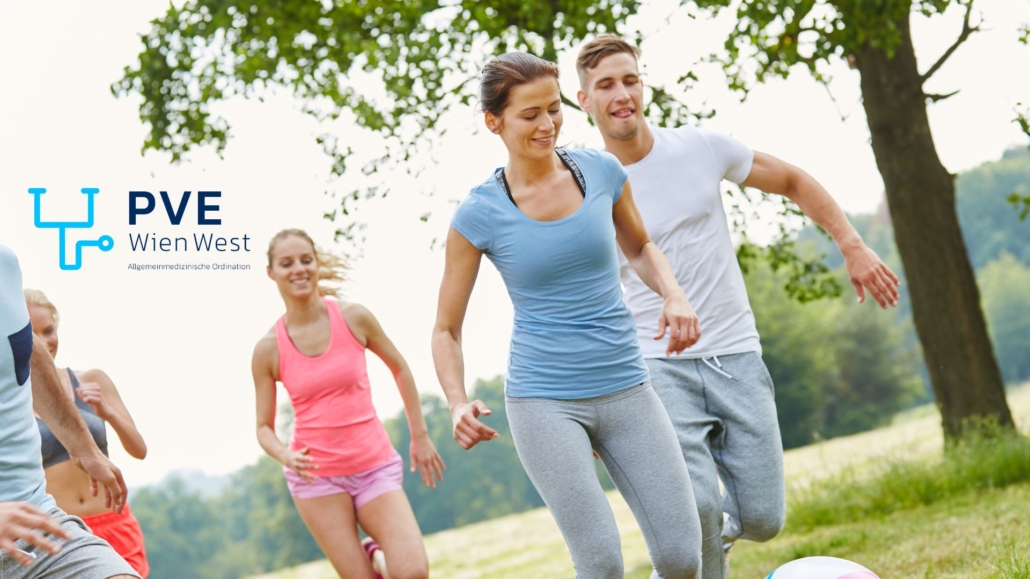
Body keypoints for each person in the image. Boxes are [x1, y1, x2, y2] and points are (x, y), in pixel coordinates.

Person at [575, 35, 902, 578]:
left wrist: (851, 244)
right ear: (584, 100)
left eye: (630, 80)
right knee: (697, 504)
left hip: (736, 353)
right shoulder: (583, 188)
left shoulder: (700, 149)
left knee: (763, 517)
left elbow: (793, 180)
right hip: (654, 366)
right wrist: (593, 399)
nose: (622, 94)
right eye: (606, 85)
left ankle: (717, 541)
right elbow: (581, 296)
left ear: (642, 84)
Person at [432, 52, 704, 579]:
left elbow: (640, 246)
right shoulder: (479, 213)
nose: (547, 124)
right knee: (601, 565)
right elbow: (446, 328)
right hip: (544, 401)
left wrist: (674, 294)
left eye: (554, 109)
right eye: (529, 114)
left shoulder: (601, 171)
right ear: (494, 122)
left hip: (626, 386)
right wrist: (456, 401)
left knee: (680, 558)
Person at [252, 229, 444, 579]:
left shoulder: (354, 317)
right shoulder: (268, 348)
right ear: (271, 273)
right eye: (286, 263)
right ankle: (373, 561)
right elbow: (263, 428)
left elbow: (400, 368)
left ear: (317, 264)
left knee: (413, 572)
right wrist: (286, 456)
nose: (298, 269)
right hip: (316, 478)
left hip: (373, 466)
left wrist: (420, 435)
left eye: (306, 260)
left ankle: (379, 558)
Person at [0, 243, 138, 578]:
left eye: (49, 330)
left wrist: (84, 445)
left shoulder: (5, 265)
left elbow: (24, 346)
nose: (45, 339)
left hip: (44, 528)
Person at [24, 289, 150, 577]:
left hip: (115, 524)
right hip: (61, 534)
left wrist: (107, 412)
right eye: (32, 335)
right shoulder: (12, 402)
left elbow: (139, 449)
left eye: (48, 331)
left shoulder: (91, 380)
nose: (43, 342)